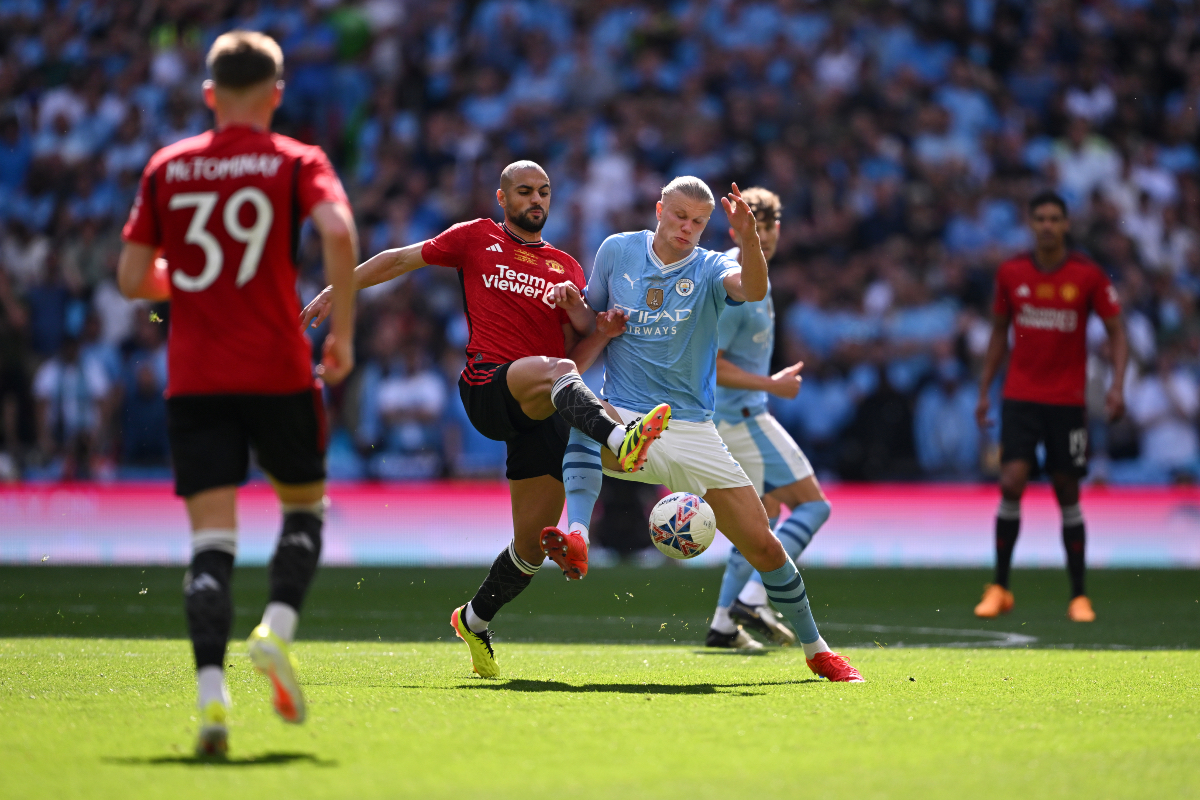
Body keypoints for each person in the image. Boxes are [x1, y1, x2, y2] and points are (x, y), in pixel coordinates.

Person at [299, 160, 669, 680]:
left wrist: (599, 328)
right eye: (524, 191)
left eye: (544, 191)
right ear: (501, 197)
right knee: (565, 380)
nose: (536, 200)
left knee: (531, 547)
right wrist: (340, 290)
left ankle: (474, 619)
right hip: (490, 386)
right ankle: (619, 440)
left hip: (543, 403)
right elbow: (399, 258)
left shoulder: (567, 268)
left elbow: (573, 364)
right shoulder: (476, 238)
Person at [117, 31, 359, 756]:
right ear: (278, 94)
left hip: (195, 379)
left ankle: (211, 702)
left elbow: (133, 279)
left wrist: (188, 280)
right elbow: (339, 232)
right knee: (304, 509)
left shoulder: (169, 166)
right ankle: (275, 628)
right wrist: (341, 332)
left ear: (209, 94)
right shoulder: (295, 160)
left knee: (210, 545)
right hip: (279, 370)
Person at [549, 177, 863, 682]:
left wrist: (751, 242)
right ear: (659, 209)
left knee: (764, 546)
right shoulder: (616, 251)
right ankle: (578, 535)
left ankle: (817, 649)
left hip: (693, 430)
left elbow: (755, 287)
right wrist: (574, 305)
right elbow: (591, 325)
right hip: (629, 417)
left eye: (698, 222)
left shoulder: (714, 266)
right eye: (679, 217)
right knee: (581, 415)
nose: (687, 228)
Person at [973, 190, 1128, 622]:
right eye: (1039, 218)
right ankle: (1000, 587)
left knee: (1067, 493)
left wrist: (1116, 387)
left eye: (1053, 219)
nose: (1046, 225)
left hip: (1066, 401)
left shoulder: (1087, 275)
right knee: (1011, 482)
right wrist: (985, 390)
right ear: (1031, 224)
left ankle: (1079, 595)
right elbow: (998, 333)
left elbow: (1117, 332)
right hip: (1020, 396)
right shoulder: (1011, 272)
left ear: (1065, 225)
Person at [703, 187, 831, 649]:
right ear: (735, 227)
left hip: (736, 415)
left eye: (769, 223)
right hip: (739, 416)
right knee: (814, 504)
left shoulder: (753, 274)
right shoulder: (737, 280)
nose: (764, 232)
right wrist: (771, 385)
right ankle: (755, 597)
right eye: (752, 223)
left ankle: (722, 623)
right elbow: (710, 364)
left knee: (766, 514)